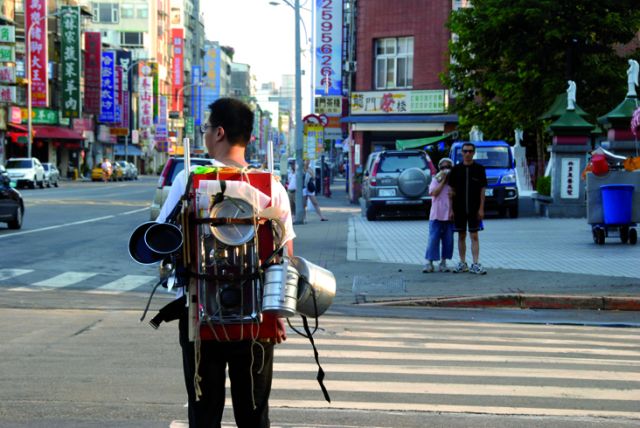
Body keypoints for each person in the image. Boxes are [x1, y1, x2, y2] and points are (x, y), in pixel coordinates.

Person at [155, 98, 295, 427]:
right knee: (254, 416)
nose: (204, 135)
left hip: (199, 317)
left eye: (206, 128)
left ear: (219, 132)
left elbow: (162, 241)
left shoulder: (189, 181)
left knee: (204, 415)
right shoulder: (272, 185)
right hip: (257, 318)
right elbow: (286, 255)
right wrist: (278, 313)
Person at [448, 142, 488, 275]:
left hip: (474, 208)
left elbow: (483, 190)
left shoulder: (480, 169)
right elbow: (451, 190)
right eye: (465, 151)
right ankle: (462, 262)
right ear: (461, 153)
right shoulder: (456, 170)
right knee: (461, 235)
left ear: (474, 152)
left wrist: (481, 208)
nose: (468, 154)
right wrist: (450, 210)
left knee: (474, 235)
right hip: (458, 208)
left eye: (470, 151)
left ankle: (475, 263)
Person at [423, 157, 454, 273]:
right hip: (436, 215)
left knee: (448, 240)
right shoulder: (435, 180)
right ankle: (429, 262)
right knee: (433, 239)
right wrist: (443, 181)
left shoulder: (454, 182)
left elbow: (455, 197)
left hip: (449, 216)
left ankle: (444, 262)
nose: (445, 169)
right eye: (443, 167)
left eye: (448, 167)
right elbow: (434, 193)